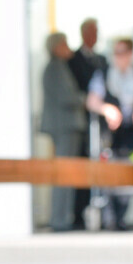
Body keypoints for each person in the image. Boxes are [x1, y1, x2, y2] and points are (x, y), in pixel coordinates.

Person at [86, 38, 133, 231]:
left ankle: (121, 217)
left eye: (123, 53)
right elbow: (92, 101)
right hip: (110, 137)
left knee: (130, 173)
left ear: (131, 54)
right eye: (116, 53)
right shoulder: (104, 74)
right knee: (109, 174)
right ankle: (110, 218)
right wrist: (106, 109)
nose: (119, 57)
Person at [40, 33, 87, 231]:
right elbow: (67, 96)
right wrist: (87, 99)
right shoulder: (55, 67)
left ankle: (62, 218)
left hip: (65, 126)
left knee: (66, 173)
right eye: (64, 44)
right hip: (64, 127)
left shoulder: (58, 67)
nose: (68, 47)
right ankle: (60, 220)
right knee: (63, 173)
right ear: (56, 47)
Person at [67, 18, 108, 229]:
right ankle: (78, 214)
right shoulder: (73, 60)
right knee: (80, 166)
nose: (95, 36)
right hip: (81, 123)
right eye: (92, 32)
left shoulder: (102, 60)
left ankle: (108, 215)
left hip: (101, 122)